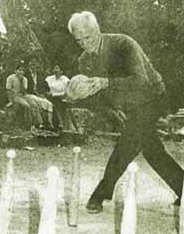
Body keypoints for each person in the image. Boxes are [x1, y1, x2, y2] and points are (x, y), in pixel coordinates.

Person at [67, 11, 184, 213]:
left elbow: (141, 81)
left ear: (97, 30)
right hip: (129, 107)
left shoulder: (123, 44)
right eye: (79, 41)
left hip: (152, 97)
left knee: (127, 144)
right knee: (152, 151)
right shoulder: (84, 62)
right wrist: (111, 109)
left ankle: (100, 193)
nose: (85, 44)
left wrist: (106, 83)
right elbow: (99, 97)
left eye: (88, 37)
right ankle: (183, 187)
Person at [6, 64, 43, 130]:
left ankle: (38, 124)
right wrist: (10, 101)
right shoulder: (10, 78)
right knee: (27, 106)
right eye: (19, 70)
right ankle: (28, 125)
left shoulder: (25, 79)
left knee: (34, 105)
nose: (21, 72)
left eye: (22, 71)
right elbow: (8, 90)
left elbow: (24, 91)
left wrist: (21, 81)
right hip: (15, 96)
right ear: (15, 70)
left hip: (23, 95)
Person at [45, 65, 70, 130]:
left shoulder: (65, 80)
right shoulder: (49, 78)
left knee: (55, 101)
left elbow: (65, 93)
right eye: (54, 68)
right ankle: (52, 123)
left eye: (57, 68)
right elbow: (45, 87)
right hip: (48, 97)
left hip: (61, 99)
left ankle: (60, 122)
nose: (55, 70)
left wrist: (54, 94)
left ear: (61, 71)